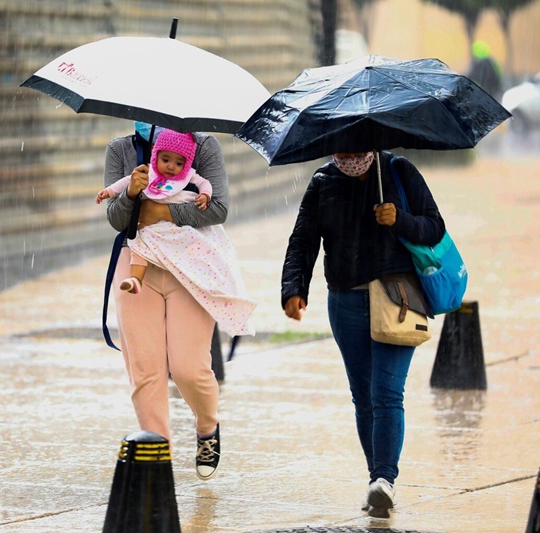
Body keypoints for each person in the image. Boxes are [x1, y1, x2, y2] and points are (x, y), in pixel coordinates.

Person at [280, 150, 445, 517]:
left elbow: (435, 226)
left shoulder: (398, 170)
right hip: (345, 302)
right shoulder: (323, 181)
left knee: (387, 392)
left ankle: (384, 479)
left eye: (357, 145)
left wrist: (399, 219)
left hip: (397, 298)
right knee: (363, 396)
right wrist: (294, 289)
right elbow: (303, 240)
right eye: (342, 145)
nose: (349, 153)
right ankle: (377, 481)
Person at [104, 122, 255, 481]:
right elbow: (116, 220)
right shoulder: (120, 149)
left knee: (189, 367)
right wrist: (130, 196)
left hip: (191, 263)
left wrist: (164, 212)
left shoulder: (204, 145)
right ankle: (159, 461)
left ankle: (207, 425)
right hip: (138, 262)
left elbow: (217, 209)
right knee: (145, 369)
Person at [96, 129, 212, 294]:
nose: (171, 166)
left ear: (186, 164)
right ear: (156, 156)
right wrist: (108, 192)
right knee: (139, 241)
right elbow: (125, 181)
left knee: (192, 237)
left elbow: (205, 183)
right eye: (165, 159)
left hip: (175, 222)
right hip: (149, 226)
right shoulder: (148, 171)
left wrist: (205, 195)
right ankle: (136, 279)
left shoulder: (189, 175)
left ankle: (199, 273)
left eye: (179, 163)